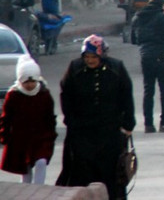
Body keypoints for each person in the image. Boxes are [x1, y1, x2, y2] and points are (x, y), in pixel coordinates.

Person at [56, 35, 136, 200]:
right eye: (87, 57)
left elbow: (126, 96)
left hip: (110, 130)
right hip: (83, 131)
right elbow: (66, 95)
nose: (90, 60)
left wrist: (128, 125)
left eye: (94, 57)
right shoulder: (75, 69)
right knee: (82, 171)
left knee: (110, 173)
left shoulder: (116, 69)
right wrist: (71, 122)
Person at [0, 56, 57, 184]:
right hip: (21, 139)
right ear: (20, 81)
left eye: (33, 81)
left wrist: (51, 135)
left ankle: (38, 190)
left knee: (41, 162)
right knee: (25, 169)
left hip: (41, 138)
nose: (30, 85)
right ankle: (26, 193)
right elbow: (6, 118)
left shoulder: (44, 94)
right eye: (26, 82)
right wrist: (4, 136)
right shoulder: (13, 95)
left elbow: (50, 117)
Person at [131, 0, 164, 133]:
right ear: (161, 5)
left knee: (148, 91)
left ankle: (148, 124)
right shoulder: (161, 17)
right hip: (159, 56)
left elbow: (134, 39)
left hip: (145, 57)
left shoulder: (137, 17)